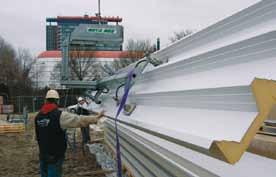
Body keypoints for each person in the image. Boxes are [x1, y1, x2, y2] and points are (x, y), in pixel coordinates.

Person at [35, 90, 104, 177]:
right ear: (57, 101)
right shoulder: (60, 116)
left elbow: (38, 136)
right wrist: (96, 118)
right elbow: (79, 120)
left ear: (46, 100)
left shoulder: (38, 116)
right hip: (55, 156)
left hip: (43, 155)